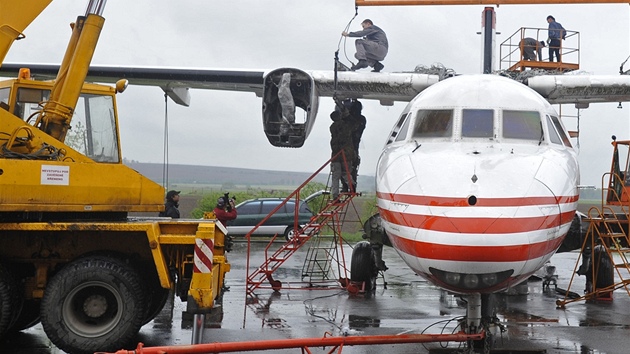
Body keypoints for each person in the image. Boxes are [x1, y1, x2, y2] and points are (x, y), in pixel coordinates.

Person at [329, 102, 356, 200]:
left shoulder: (332, 128)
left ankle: (335, 195)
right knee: (346, 172)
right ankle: (351, 186)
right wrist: (347, 114)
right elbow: (354, 125)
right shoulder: (346, 126)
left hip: (336, 155)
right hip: (346, 154)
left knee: (336, 176)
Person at [343, 99, 366, 192]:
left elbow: (350, 125)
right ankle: (351, 187)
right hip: (353, 148)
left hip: (350, 147)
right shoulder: (361, 119)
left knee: (346, 167)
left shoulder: (355, 120)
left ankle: (347, 186)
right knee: (351, 168)